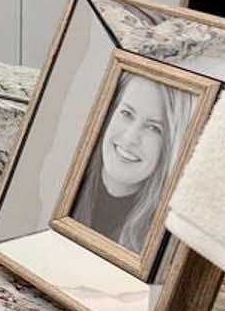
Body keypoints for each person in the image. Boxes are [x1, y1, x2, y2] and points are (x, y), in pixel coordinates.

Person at [70, 73, 192, 254]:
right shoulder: (64, 173)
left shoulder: (168, 234)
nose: (130, 137)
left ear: (169, 146)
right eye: (126, 113)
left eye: (153, 128)